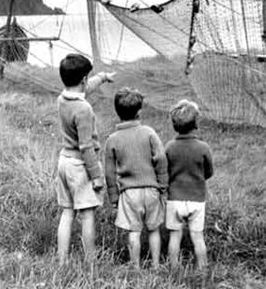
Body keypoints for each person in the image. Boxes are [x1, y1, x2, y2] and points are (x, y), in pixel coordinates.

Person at [56, 53, 115, 266]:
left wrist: (102, 77)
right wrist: (97, 176)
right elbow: (86, 146)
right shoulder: (84, 109)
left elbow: (83, 89)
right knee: (87, 215)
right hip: (79, 166)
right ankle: (90, 261)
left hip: (63, 162)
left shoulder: (62, 99)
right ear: (83, 79)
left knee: (67, 212)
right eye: (87, 78)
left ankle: (62, 260)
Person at [104, 87, 168, 270]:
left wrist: (114, 196)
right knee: (154, 229)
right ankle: (156, 265)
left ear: (117, 113)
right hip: (152, 190)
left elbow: (109, 172)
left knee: (134, 232)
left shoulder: (112, 139)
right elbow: (161, 158)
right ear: (139, 112)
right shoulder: (149, 132)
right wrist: (163, 185)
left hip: (129, 193)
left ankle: (136, 268)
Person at [165, 99, 214, 271]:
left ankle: (174, 269)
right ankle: (202, 270)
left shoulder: (170, 147)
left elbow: (166, 172)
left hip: (175, 199)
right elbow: (209, 172)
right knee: (198, 237)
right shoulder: (203, 147)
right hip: (197, 199)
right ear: (196, 124)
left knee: (174, 236)